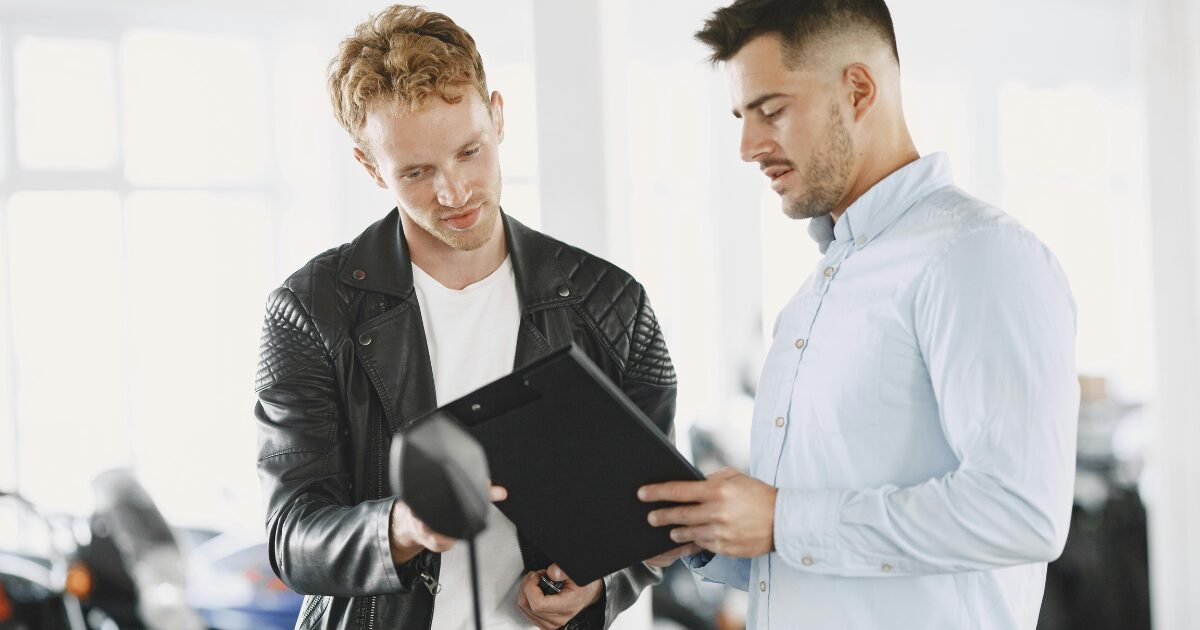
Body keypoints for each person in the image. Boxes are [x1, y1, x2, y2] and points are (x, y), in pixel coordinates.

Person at [637, 1, 1079, 628]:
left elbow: (1020, 512)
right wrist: (709, 535)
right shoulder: (814, 295)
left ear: (858, 90)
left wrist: (782, 519)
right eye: (742, 116)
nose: (747, 147)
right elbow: (809, 547)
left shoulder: (978, 256)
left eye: (772, 110)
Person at [253, 6, 676, 629]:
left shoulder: (613, 303)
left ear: (498, 115)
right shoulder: (310, 309)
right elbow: (290, 536)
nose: (454, 194)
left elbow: (653, 511)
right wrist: (403, 525)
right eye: (417, 172)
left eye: (469, 151)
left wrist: (599, 585)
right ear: (371, 168)